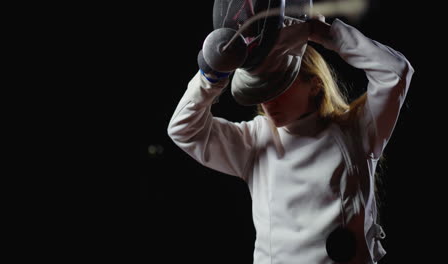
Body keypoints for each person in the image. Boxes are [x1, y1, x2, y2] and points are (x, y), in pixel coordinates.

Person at [167, 15, 414, 264]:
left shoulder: (357, 130)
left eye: (279, 87)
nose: (267, 102)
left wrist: (321, 32)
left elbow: (395, 72)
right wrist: (211, 78)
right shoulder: (255, 139)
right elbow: (183, 130)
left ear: (315, 84)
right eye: (261, 91)